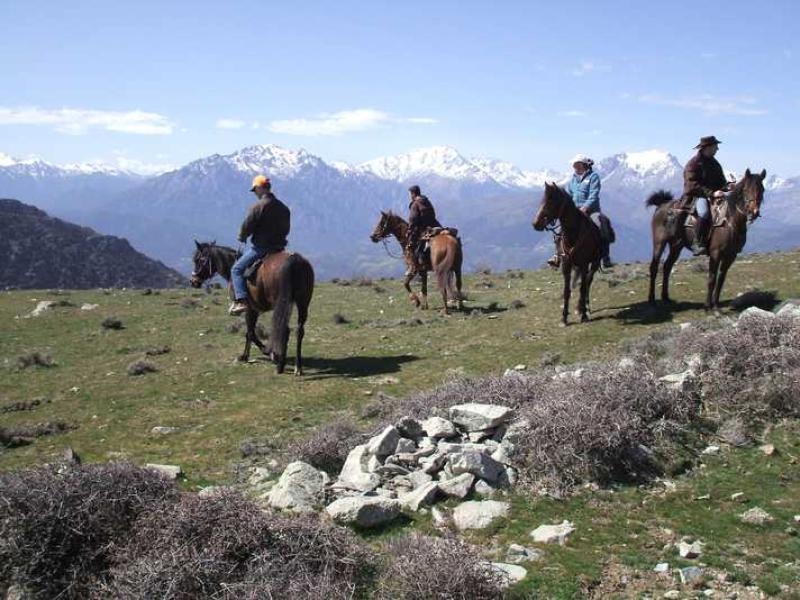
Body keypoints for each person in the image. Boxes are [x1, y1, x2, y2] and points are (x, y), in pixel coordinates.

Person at [228, 174, 290, 315]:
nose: (255, 193)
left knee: (236, 269)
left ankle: (241, 301)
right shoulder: (284, 208)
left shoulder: (258, 207)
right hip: (279, 248)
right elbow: (286, 229)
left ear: (260, 188)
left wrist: (242, 236)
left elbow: (247, 225)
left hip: (261, 248)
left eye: (255, 190)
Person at [548, 154, 613, 268]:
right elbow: (569, 195)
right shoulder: (573, 180)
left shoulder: (593, 177)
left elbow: (594, 194)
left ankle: (605, 257)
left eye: (578, 165)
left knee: (601, 226)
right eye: (574, 166)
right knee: (559, 230)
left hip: (591, 210)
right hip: (576, 211)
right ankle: (557, 256)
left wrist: (585, 207)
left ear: (584, 165)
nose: (576, 168)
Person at [682, 135, 728, 255]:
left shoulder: (715, 164)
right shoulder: (693, 164)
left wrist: (727, 188)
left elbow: (721, 181)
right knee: (704, 213)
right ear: (707, 147)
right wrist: (712, 193)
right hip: (697, 196)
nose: (717, 149)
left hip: (714, 196)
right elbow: (691, 184)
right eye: (715, 146)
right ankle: (698, 243)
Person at [407, 185, 442, 272]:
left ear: (413, 193)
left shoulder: (415, 204)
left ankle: (420, 264)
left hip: (424, 228)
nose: (410, 196)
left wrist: (409, 231)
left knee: (415, 247)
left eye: (410, 194)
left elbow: (413, 219)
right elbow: (433, 214)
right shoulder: (427, 201)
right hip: (435, 225)